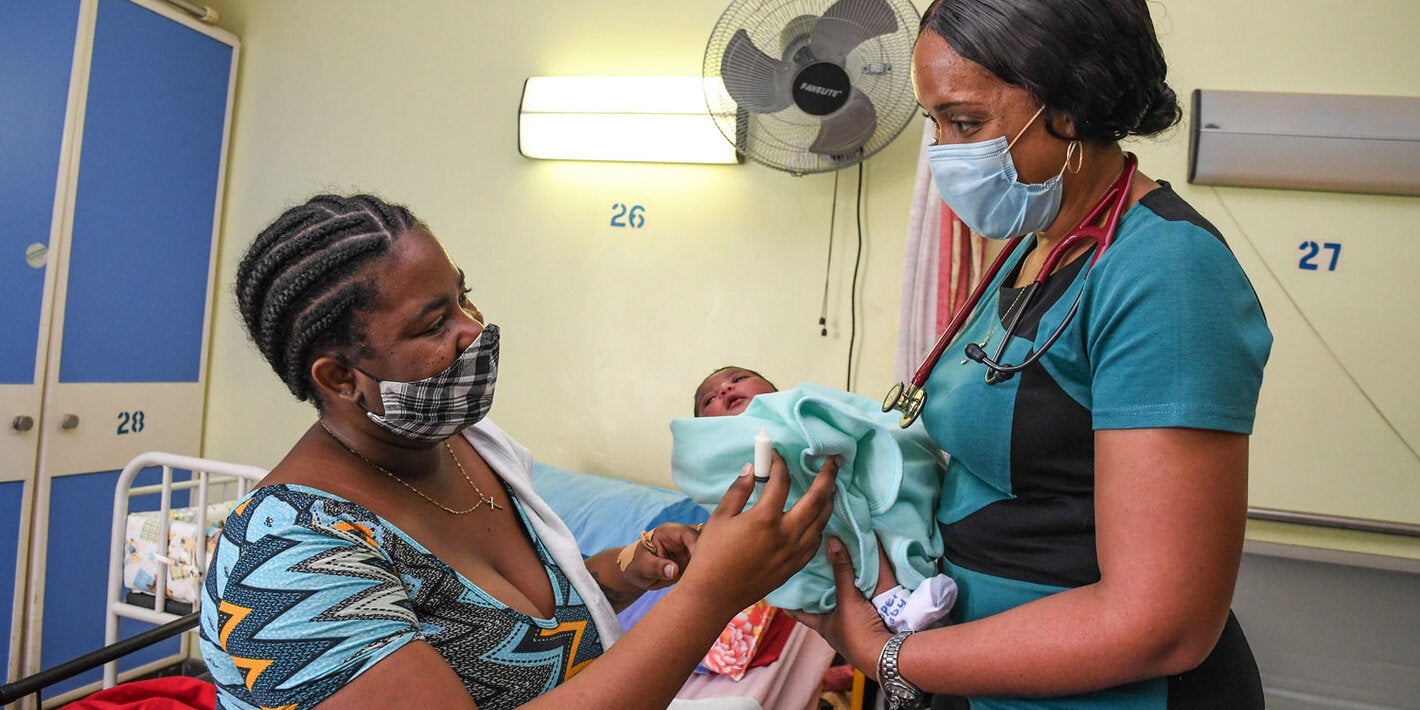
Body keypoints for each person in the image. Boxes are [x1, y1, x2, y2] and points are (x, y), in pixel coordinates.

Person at [789, 1, 1273, 709]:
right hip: (984, 667)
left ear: (1073, 108)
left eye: (965, 123)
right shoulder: (1033, 243)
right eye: (935, 123)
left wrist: (890, 654)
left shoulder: (1166, 273)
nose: (942, 155)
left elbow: (1163, 626)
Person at [199, 194, 839, 710]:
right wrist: (708, 597)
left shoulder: (468, 442)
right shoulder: (287, 560)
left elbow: (517, 629)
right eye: (432, 324)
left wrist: (626, 570)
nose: (473, 328)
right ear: (339, 378)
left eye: (463, 295)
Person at [681, 367, 957, 633]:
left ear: (773, 390)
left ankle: (898, 598)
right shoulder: (717, 454)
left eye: (738, 378)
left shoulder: (800, 403)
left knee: (868, 514)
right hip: (797, 536)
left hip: (855, 494)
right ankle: (892, 603)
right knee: (814, 540)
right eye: (709, 399)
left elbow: (866, 419)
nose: (726, 389)